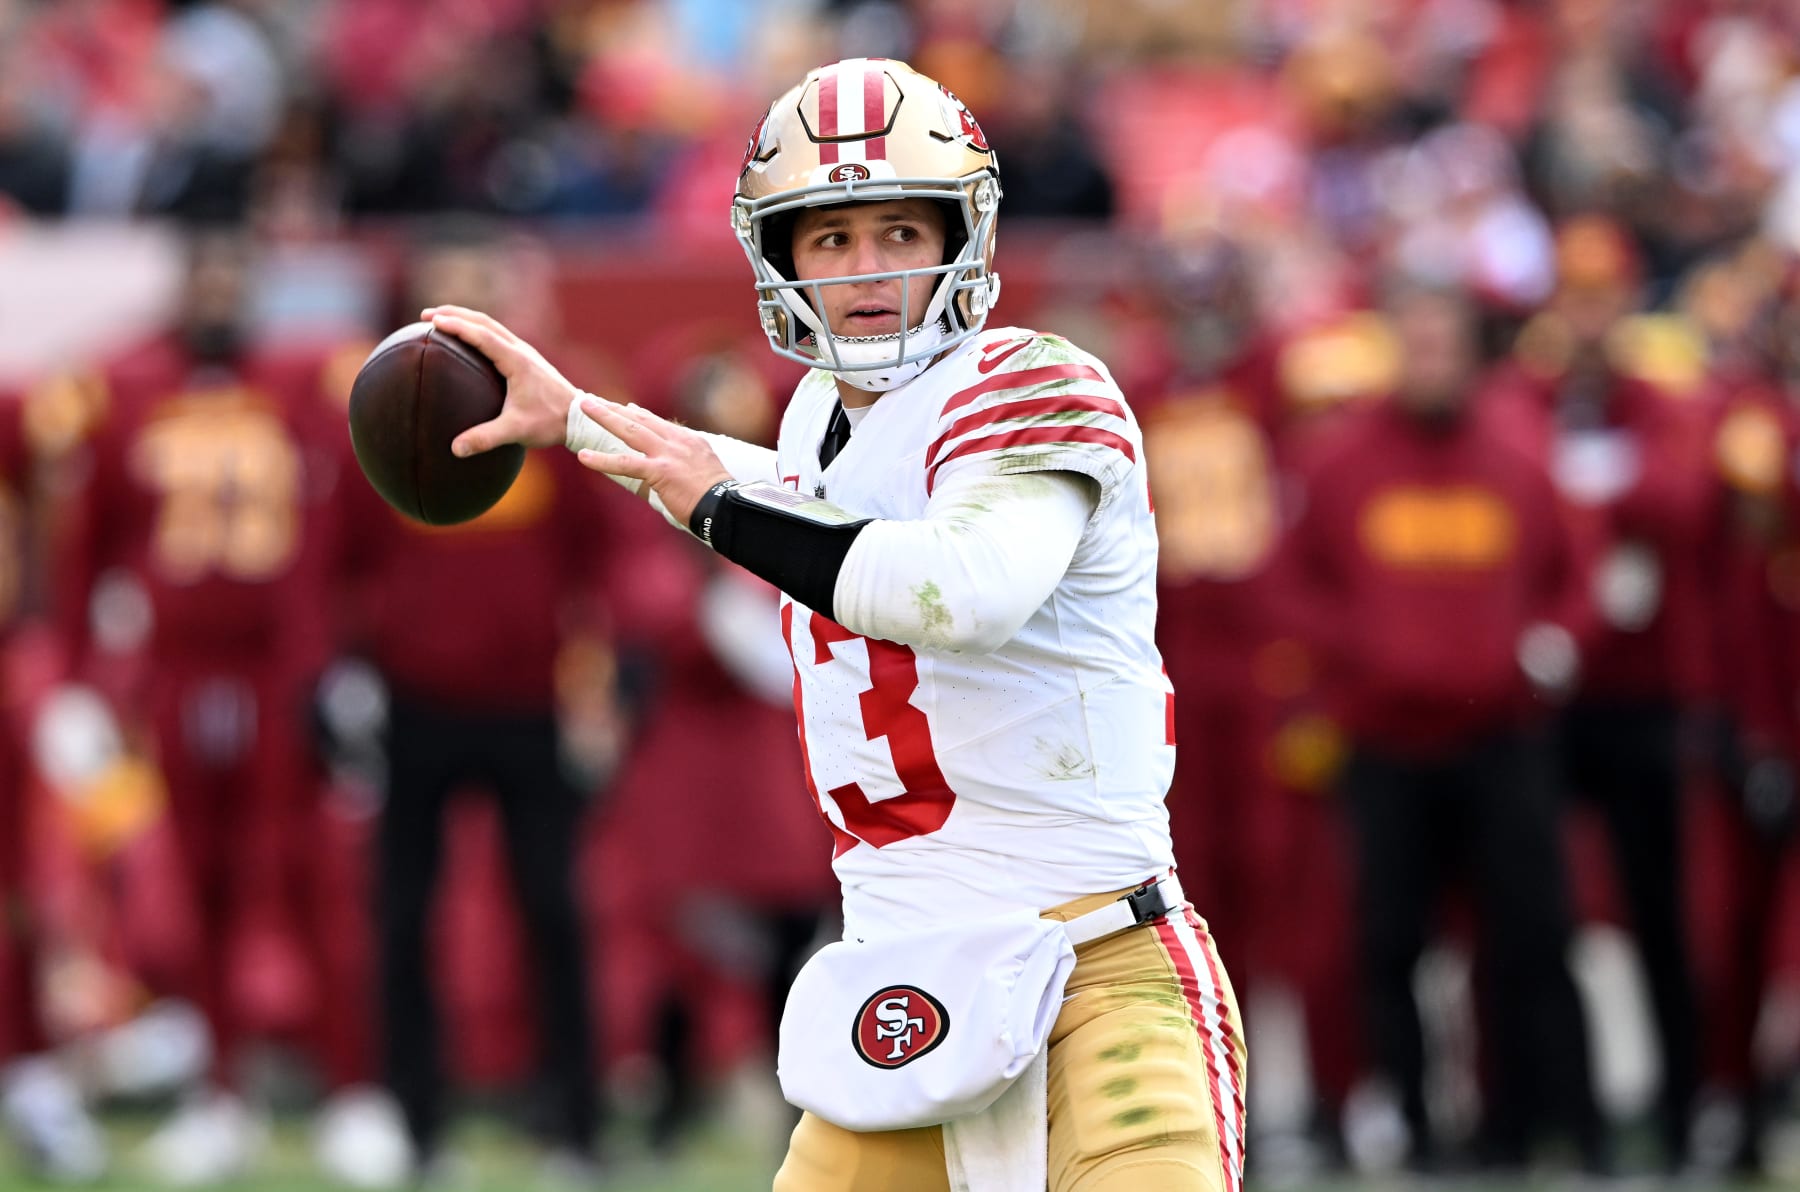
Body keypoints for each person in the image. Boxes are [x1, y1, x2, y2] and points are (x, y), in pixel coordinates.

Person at [426, 57, 1247, 1192]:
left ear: (965, 235)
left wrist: (709, 501)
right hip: (903, 985)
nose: (867, 271)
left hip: (1094, 966)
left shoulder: (1034, 379)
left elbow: (957, 588)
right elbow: (793, 497)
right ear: (780, 257)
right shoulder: (818, 418)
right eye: (831, 238)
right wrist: (578, 419)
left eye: (900, 233)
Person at [1281, 281, 1605, 1174]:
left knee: (1529, 936)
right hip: (1384, 744)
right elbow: (1295, 583)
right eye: (1413, 344)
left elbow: (1576, 574)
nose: (1430, 361)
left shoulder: (1519, 452)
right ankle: (1415, 1128)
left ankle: (1550, 1127)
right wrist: (1364, 661)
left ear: (1470, 353)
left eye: (1443, 344)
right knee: (1387, 944)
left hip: (1501, 737)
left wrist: (1550, 649)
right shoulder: (1341, 461)